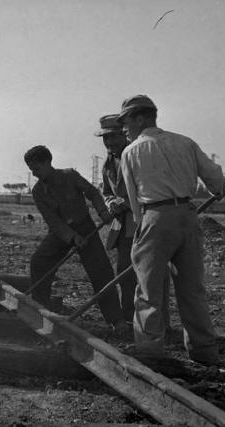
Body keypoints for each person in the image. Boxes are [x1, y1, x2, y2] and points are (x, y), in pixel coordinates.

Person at [118, 95, 225, 364]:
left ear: (141, 118)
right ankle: (204, 352)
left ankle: (149, 352)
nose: (123, 128)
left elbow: (134, 201)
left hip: (155, 216)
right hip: (188, 217)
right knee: (192, 290)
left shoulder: (131, 152)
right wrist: (219, 187)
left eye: (126, 121)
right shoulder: (185, 142)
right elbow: (216, 180)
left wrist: (142, 226)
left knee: (148, 290)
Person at [24, 145, 127, 331]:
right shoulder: (38, 191)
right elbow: (52, 220)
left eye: (36, 168)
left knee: (101, 271)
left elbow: (93, 193)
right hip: (60, 233)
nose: (34, 173)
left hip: (86, 227)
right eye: (31, 170)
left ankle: (116, 320)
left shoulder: (69, 175)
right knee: (38, 262)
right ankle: (40, 311)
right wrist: (72, 237)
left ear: (47, 162)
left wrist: (103, 212)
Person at [94, 114, 137, 323]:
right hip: (121, 226)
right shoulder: (109, 162)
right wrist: (111, 202)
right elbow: (106, 191)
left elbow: (150, 189)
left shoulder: (137, 155)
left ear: (124, 134)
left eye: (113, 137)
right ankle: (128, 316)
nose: (109, 142)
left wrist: (126, 202)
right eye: (105, 138)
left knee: (144, 273)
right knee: (124, 270)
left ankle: (148, 320)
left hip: (142, 222)